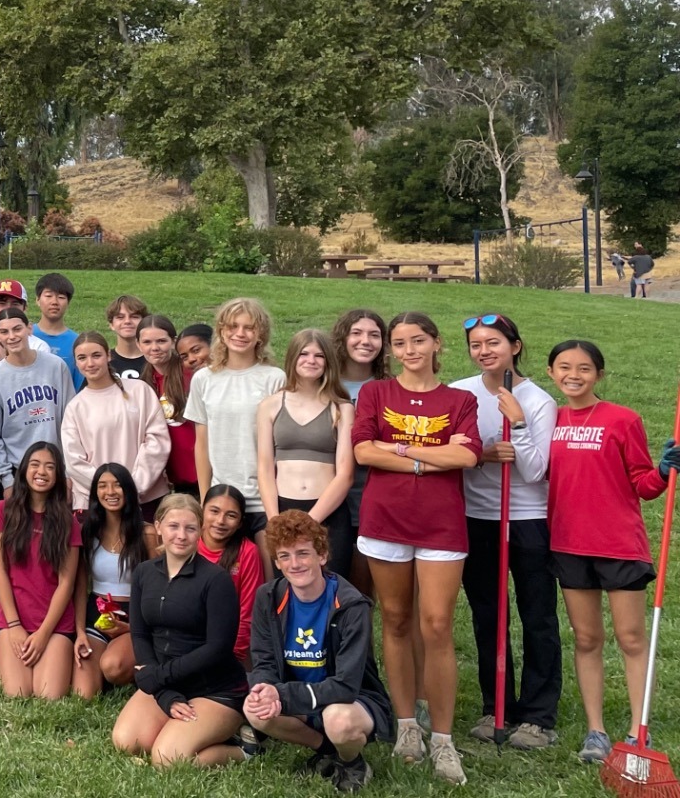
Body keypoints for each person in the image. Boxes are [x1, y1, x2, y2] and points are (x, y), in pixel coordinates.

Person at [350, 312, 480, 783]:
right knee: (397, 618)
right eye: (400, 343)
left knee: (438, 624)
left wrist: (401, 451)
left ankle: (442, 739)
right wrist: (432, 456)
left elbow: (466, 455)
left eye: (418, 341)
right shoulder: (375, 393)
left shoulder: (460, 398)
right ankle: (407, 726)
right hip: (385, 521)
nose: (409, 351)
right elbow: (364, 451)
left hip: (442, 525)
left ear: (436, 343)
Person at [545, 339, 680, 763]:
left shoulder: (623, 420)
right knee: (586, 638)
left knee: (631, 637)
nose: (573, 375)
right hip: (568, 543)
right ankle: (596, 731)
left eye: (584, 368)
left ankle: (640, 730)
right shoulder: (549, 418)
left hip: (618, 545)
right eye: (564, 367)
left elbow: (643, 484)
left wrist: (662, 470)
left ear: (599, 375)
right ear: (551, 373)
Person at [446, 314, 559, 750]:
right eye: (476, 344)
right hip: (478, 518)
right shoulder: (461, 393)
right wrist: (482, 454)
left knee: (537, 616)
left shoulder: (536, 400)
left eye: (493, 342)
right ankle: (498, 705)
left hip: (527, 518)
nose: (484, 351)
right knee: (488, 615)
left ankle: (537, 714)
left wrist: (522, 424)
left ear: (515, 345)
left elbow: (535, 471)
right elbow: (454, 453)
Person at [246, 510, 393, 791]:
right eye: (285, 556)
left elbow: (347, 686)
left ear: (322, 556)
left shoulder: (351, 605)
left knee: (338, 720)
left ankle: (352, 762)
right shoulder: (268, 597)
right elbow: (263, 660)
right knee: (254, 710)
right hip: (301, 696)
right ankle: (327, 750)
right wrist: (264, 688)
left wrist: (281, 693)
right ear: (276, 562)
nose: (295, 564)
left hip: (351, 700)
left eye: (303, 553)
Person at [112, 493, 249, 767]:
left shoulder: (216, 580)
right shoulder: (143, 573)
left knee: (166, 759)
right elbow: (139, 634)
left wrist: (158, 677)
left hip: (214, 688)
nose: (181, 535)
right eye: (173, 526)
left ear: (200, 531)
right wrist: (163, 693)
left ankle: (246, 749)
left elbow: (218, 648)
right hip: (166, 683)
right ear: (159, 526)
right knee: (128, 742)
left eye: (190, 528)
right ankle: (179, 727)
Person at [254, 329, 356, 576]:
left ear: (328, 361)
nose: (311, 360)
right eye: (304, 354)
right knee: (288, 588)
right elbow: (265, 469)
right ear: (292, 358)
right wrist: (275, 520)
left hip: (328, 512)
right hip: (283, 510)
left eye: (319, 356)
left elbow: (345, 474)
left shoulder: (341, 408)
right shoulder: (271, 405)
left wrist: (310, 522)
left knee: (332, 586)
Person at [187, 298, 285, 544]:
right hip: (222, 500)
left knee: (268, 575)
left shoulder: (274, 378)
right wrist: (204, 498)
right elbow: (202, 444)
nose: (240, 333)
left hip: (265, 499)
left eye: (249, 327)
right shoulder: (203, 379)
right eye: (232, 326)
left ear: (260, 334)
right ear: (221, 330)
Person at [0, 442, 80, 699]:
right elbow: (0, 572)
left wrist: (42, 635)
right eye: (35, 465)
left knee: (48, 696)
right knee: (17, 694)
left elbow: (66, 584)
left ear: (58, 475)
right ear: (24, 470)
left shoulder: (67, 521)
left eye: (50, 467)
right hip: (13, 619)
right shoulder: (2, 512)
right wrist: (15, 625)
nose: (42, 472)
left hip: (54, 624)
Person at [61, 332, 170, 513]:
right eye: (82, 358)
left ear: (108, 355)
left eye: (96, 355)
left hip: (146, 497)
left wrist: (132, 486)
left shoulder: (140, 391)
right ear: (76, 362)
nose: (90, 363)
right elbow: (75, 461)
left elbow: (157, 442)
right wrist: (107, 490)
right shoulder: (75, 408)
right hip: (96, 502)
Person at [75, 463, 156, 699]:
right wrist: (79, 632)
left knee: (112, 667)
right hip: (98, 616)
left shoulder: (146, 533)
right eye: (102, 486)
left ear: (128, 490)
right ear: (95, 493)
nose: (110, 492)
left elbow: (155, 589)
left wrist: (135, 629)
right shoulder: (88, 532)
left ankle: (132, 666)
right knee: (84, 694)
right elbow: (80, 587)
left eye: (117, 485)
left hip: (134, 616)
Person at [0, 308, 74, 491]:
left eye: (17, 329)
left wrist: (69, 473)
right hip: (19, 473)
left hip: (57, 468)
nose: (12, 336)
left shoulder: (56, 366)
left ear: (29, 328)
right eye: (5, 332)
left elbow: (72, 423)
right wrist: (7, 480)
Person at [332, 308, 389, 596]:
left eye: (374, 335)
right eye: (356, 333)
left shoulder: (390, 389)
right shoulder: (323, 384)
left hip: (372, 497)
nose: (365, 341)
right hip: (328, 498)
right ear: (342, 338)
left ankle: (360, 641)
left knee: (363, 592)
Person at [197, 484, 262, 664]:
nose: (220, 521)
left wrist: (232, 656)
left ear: (240, 522)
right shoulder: (187, 541)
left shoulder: (248, 552)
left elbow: (247, 612)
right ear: (202, 511)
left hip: (225, 648)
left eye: (231, 515)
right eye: (214, 511)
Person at [140, 316, 199, 497]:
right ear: (138, 345)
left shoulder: (190, 375)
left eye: (161, 341)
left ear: (173, 343)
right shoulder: (144, 384)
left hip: (203, 473)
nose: (154, 348)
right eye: (147, 342)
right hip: (173, 480)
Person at [31, 273, 82, 389]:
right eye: (48, 296)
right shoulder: (25, 336)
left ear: (68, 303)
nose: (54, 302)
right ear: (38, 300)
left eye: (61, 297)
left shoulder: (78, 342)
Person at [106, 295, 149, 381]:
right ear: (111, 324)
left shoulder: (154, 359)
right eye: (120, 317)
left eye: (134, 317)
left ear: (144, 322)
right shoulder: (104, 361)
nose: (127, 321)